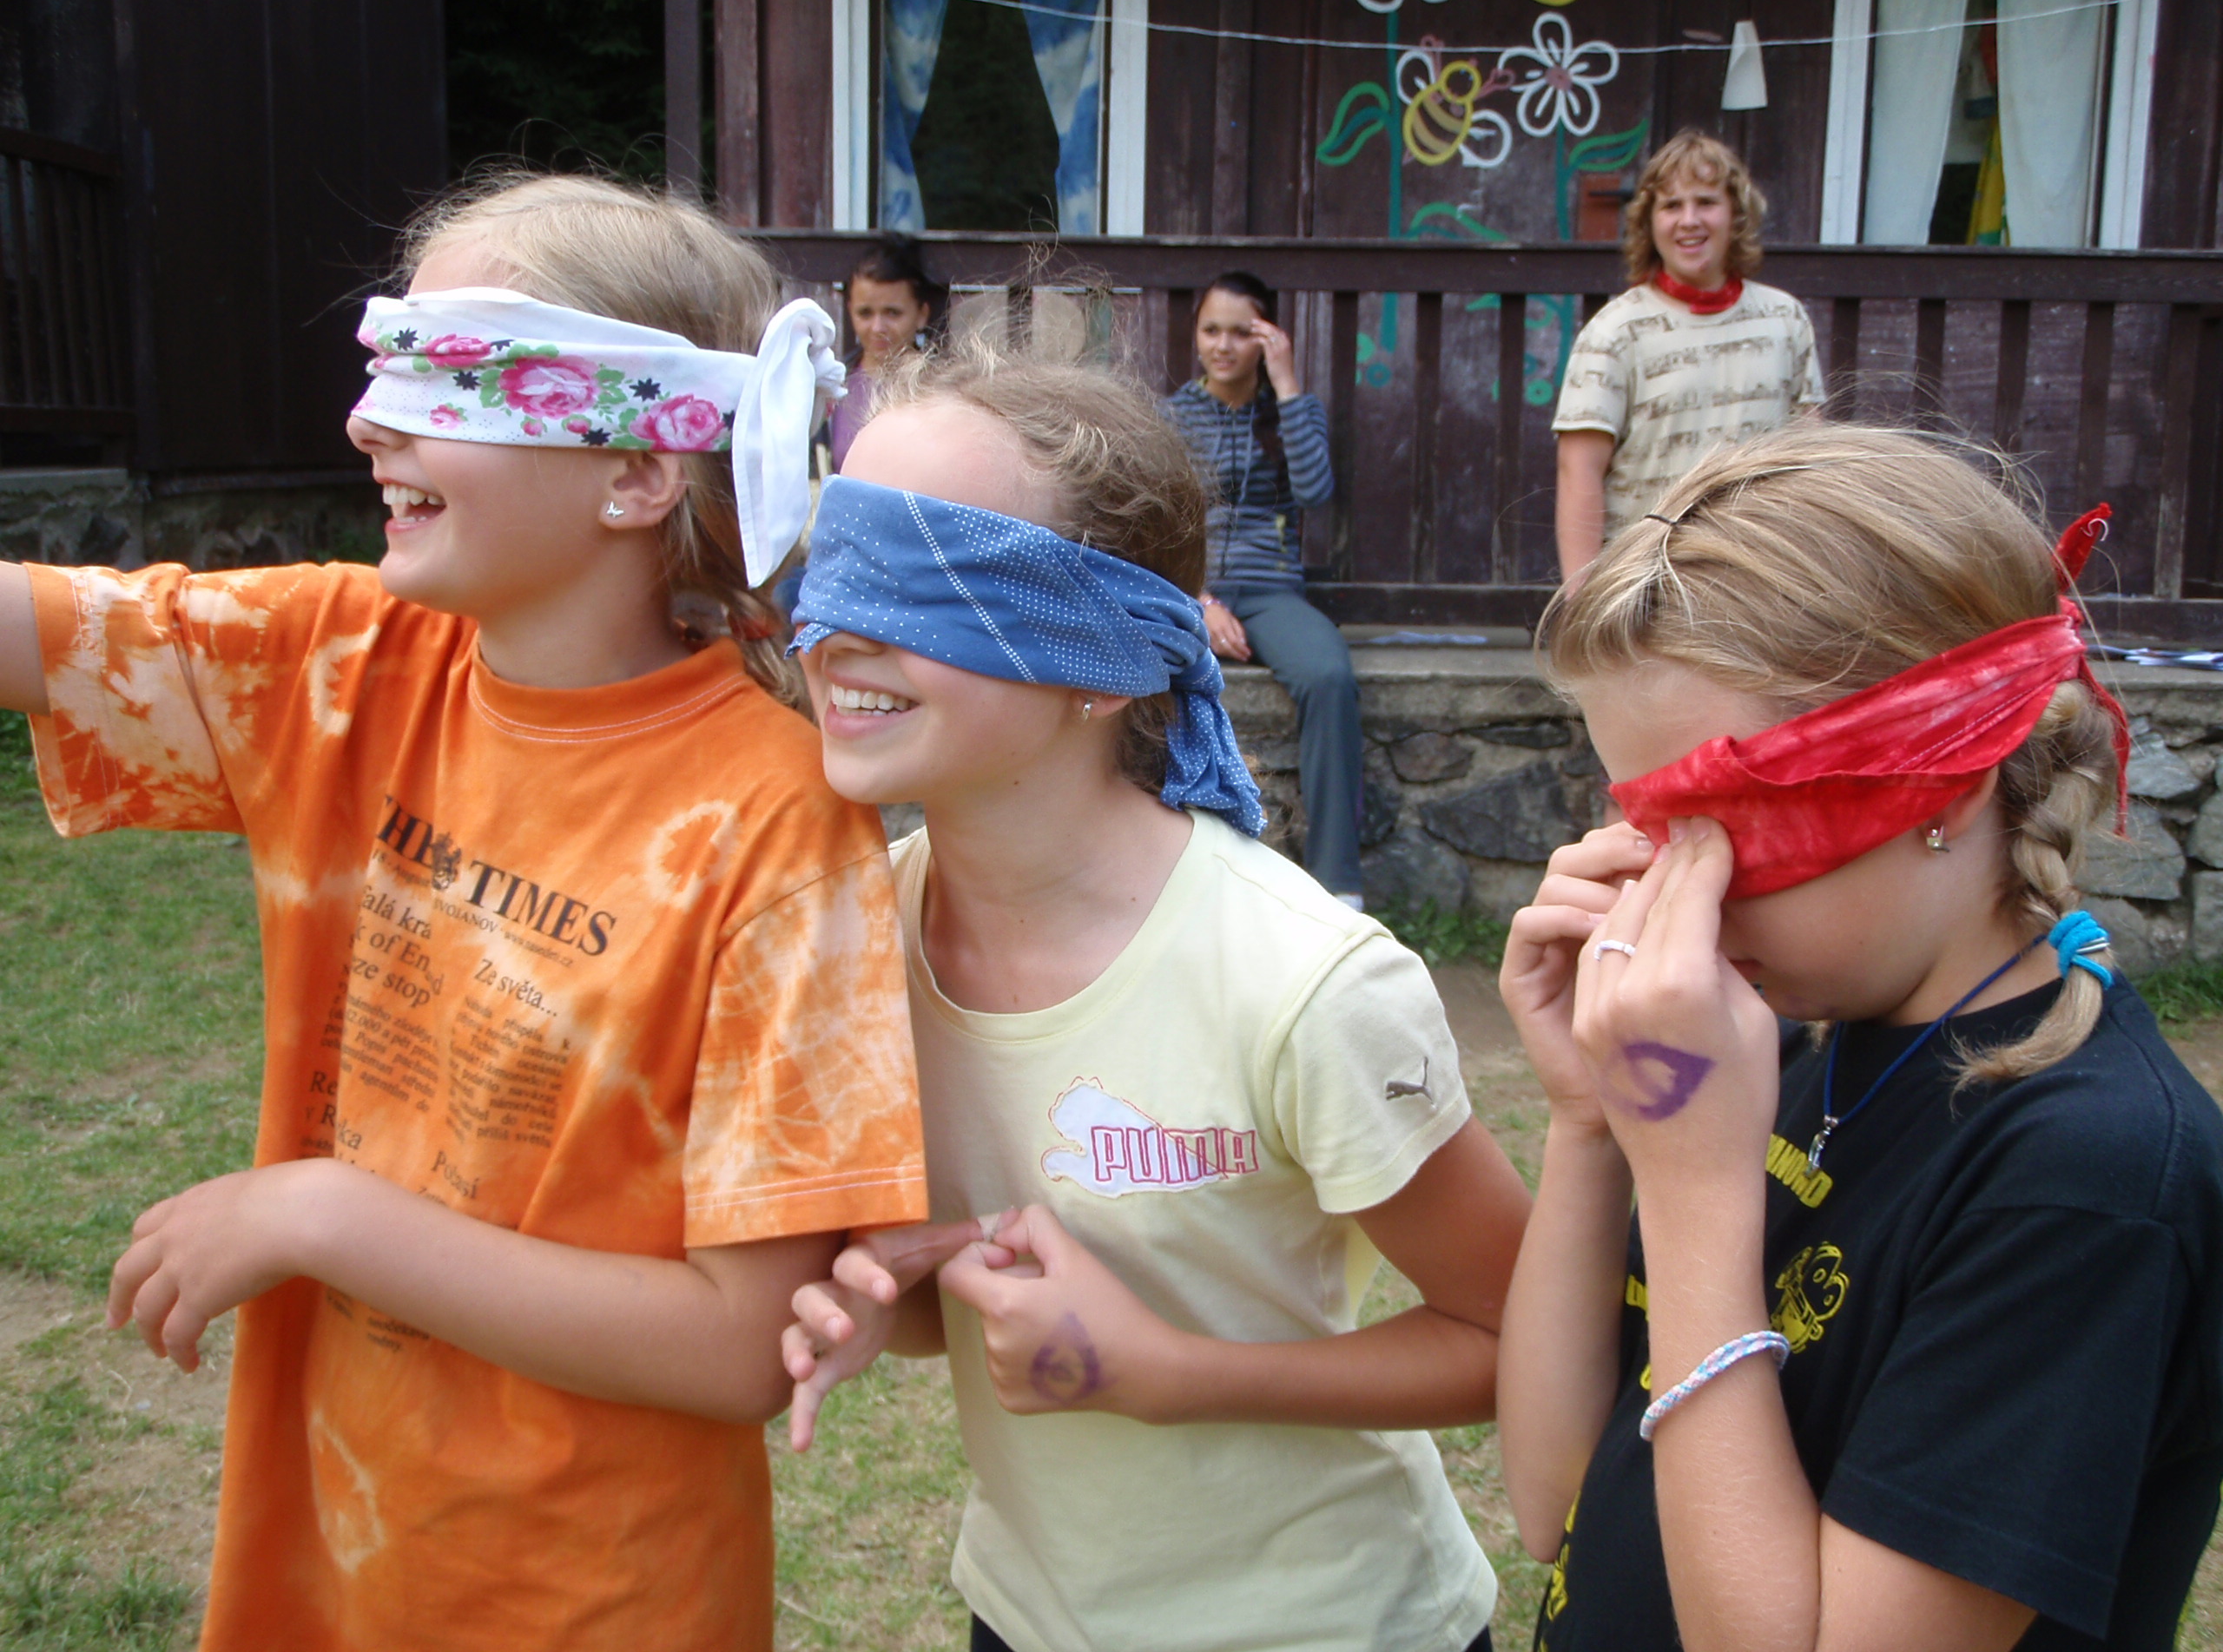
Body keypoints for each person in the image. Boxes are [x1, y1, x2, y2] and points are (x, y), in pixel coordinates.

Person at [0, 174, 927, 1652]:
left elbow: (744, 1344)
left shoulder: (779, 820)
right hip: (333, 1546)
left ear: (637, 471)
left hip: (588, 1601)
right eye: (386, 361)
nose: (369, 422)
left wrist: (321, 1213)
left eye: (448, 373)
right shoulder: (352, 658)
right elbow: (36, 634)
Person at [777, 344, 1534, 1652]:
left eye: (928, 580)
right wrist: (884, 1299)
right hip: (1030, 1615)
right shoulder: (853, 942)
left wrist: (1170, 1375)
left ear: (1108, 654)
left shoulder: (1303, 983)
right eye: (833, 565)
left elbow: (1520, 1333)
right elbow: (1000, 1298)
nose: (839, 630)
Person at [1495, 421, 2223, 1649]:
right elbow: (1550, 1495)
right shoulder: (1775, 1051)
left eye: (1724, 829)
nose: (1671, 898)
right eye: (1645, 827)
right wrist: (1590, 1123)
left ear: (1945, 778)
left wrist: (1694, 1195)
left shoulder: (2088, 1182)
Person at [1159, 271, 1364, 907]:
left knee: (1329, 676)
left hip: (1271, 589)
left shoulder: (1291, 411)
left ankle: (1339, 883)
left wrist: (1287, 383)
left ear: (1268, 338)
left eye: (1240, 332)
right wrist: (1199, 601)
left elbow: (1315, 491)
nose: (1223, 346)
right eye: (1211, 330)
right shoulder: (1172, 416)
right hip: (1190, 587)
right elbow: (1158, 522)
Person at [1552, 129, 1824, 581]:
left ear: (1736, 213)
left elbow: (1809, 456)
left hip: (1761, 581)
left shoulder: (1785, 319)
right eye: (1672, 206)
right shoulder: (1615, 332)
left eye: (1706, 202)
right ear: (1649, 222)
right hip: (1648, 585)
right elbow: (1578, 470)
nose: (1689, 220)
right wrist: (1580, 599)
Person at [828, 236, 941, 473]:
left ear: (921, 315)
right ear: (850, 311)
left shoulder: (942, 390)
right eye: (865, 313)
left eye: (893, 313)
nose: (878, 327)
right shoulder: (831, 387)